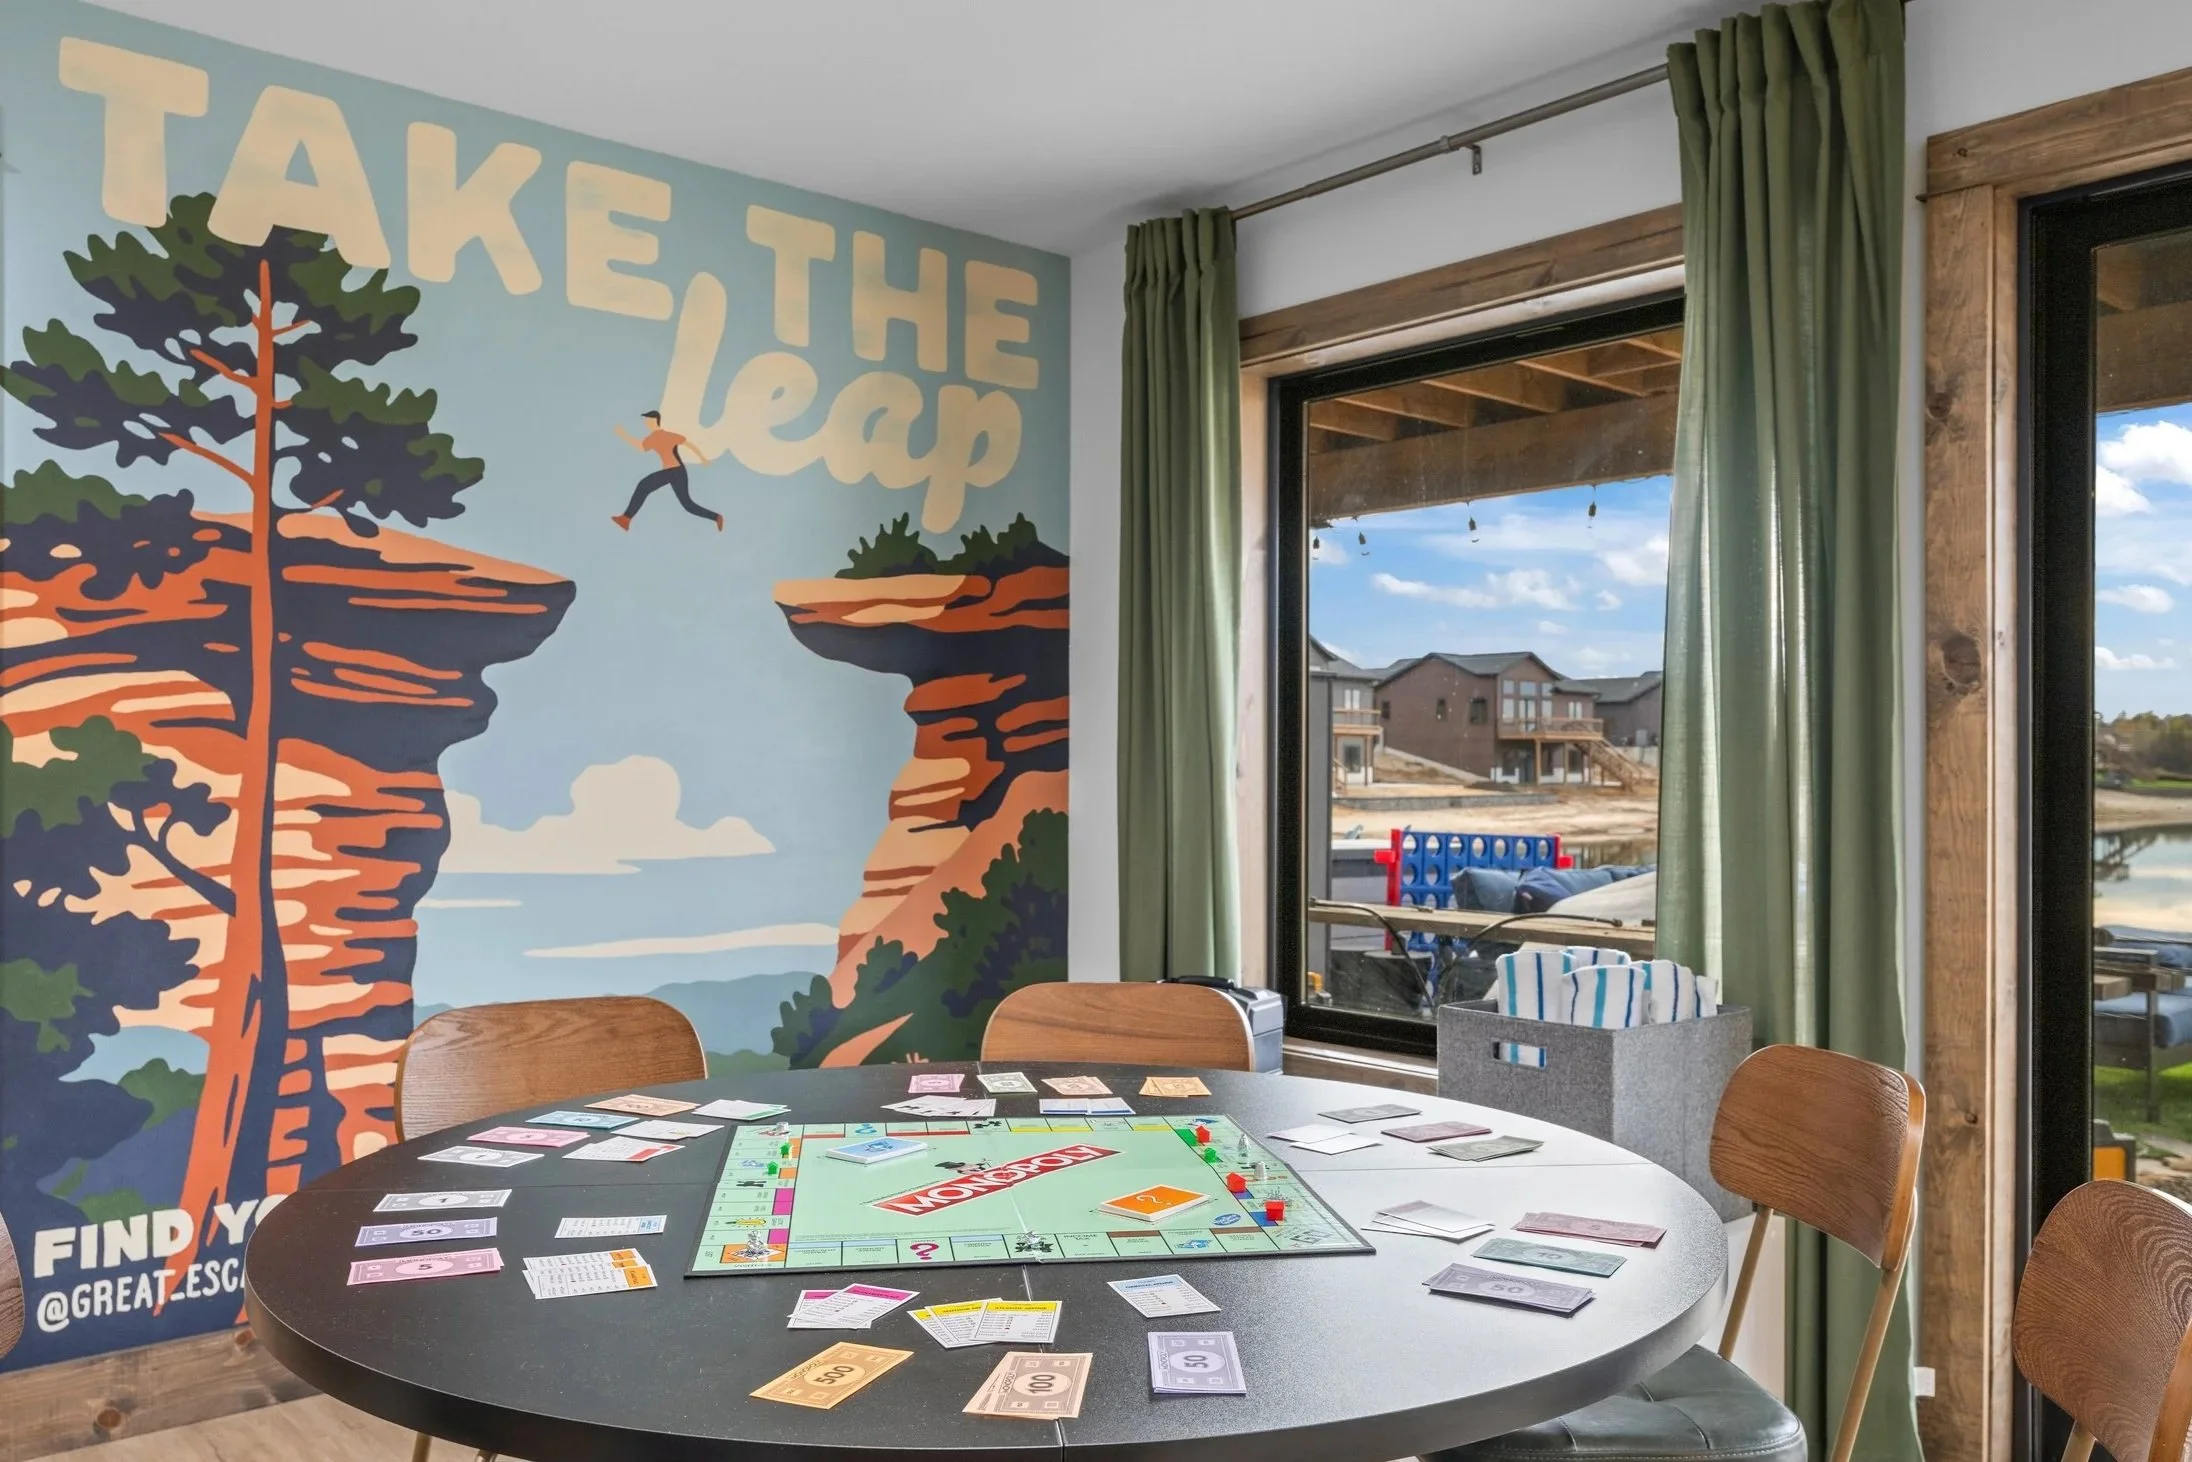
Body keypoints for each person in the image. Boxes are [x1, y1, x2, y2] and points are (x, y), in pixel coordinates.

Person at [611, 411, 722, 531]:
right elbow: (640, 447)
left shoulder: (666, 436)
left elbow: (688, 444)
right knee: (687, 504)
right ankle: (716, 517)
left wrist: (702, 458)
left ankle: (625, 519)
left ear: (654, 421)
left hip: (675, 471)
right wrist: (624, 435)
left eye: (647, 420)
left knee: (644, 485)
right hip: (674, 472)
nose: (645, 422)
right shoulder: (652, 438)